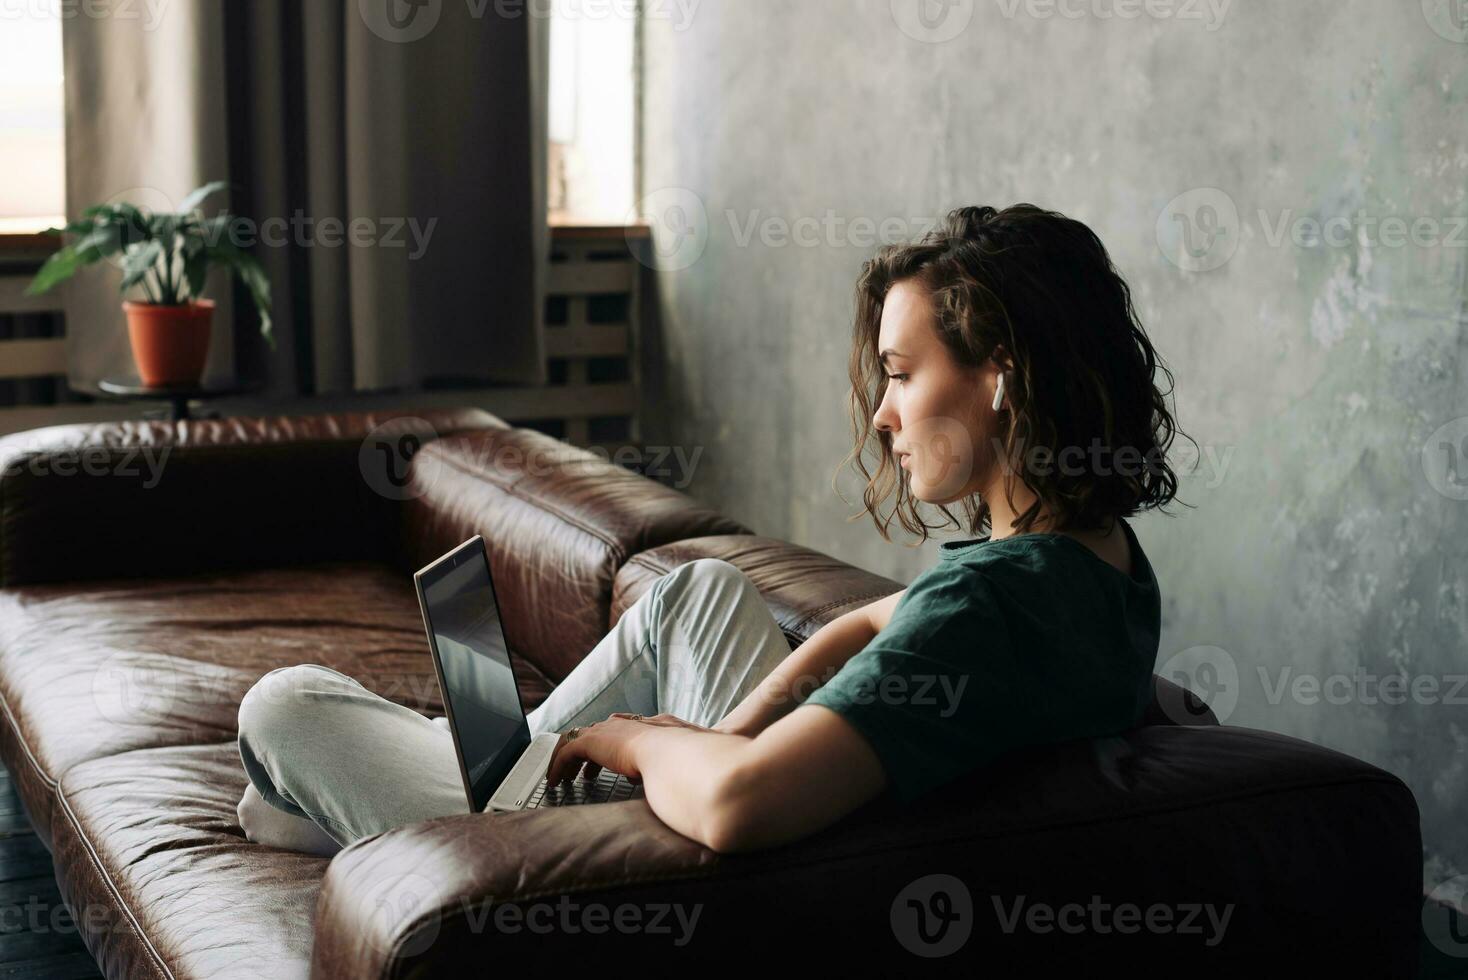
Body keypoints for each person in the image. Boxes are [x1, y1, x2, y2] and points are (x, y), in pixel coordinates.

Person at [235, 203, 1189, 857]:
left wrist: (644, 746)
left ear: (1003, 376)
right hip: (751, 771)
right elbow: (867, 623)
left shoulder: (984, 606)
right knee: (697, 591)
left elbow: (735, 804)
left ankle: (378, 795)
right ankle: (490, 765)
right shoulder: (1094, 562)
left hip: (680, 836)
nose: (884, 416)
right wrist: (716, 729)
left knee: (286, 706)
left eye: (902, 373)